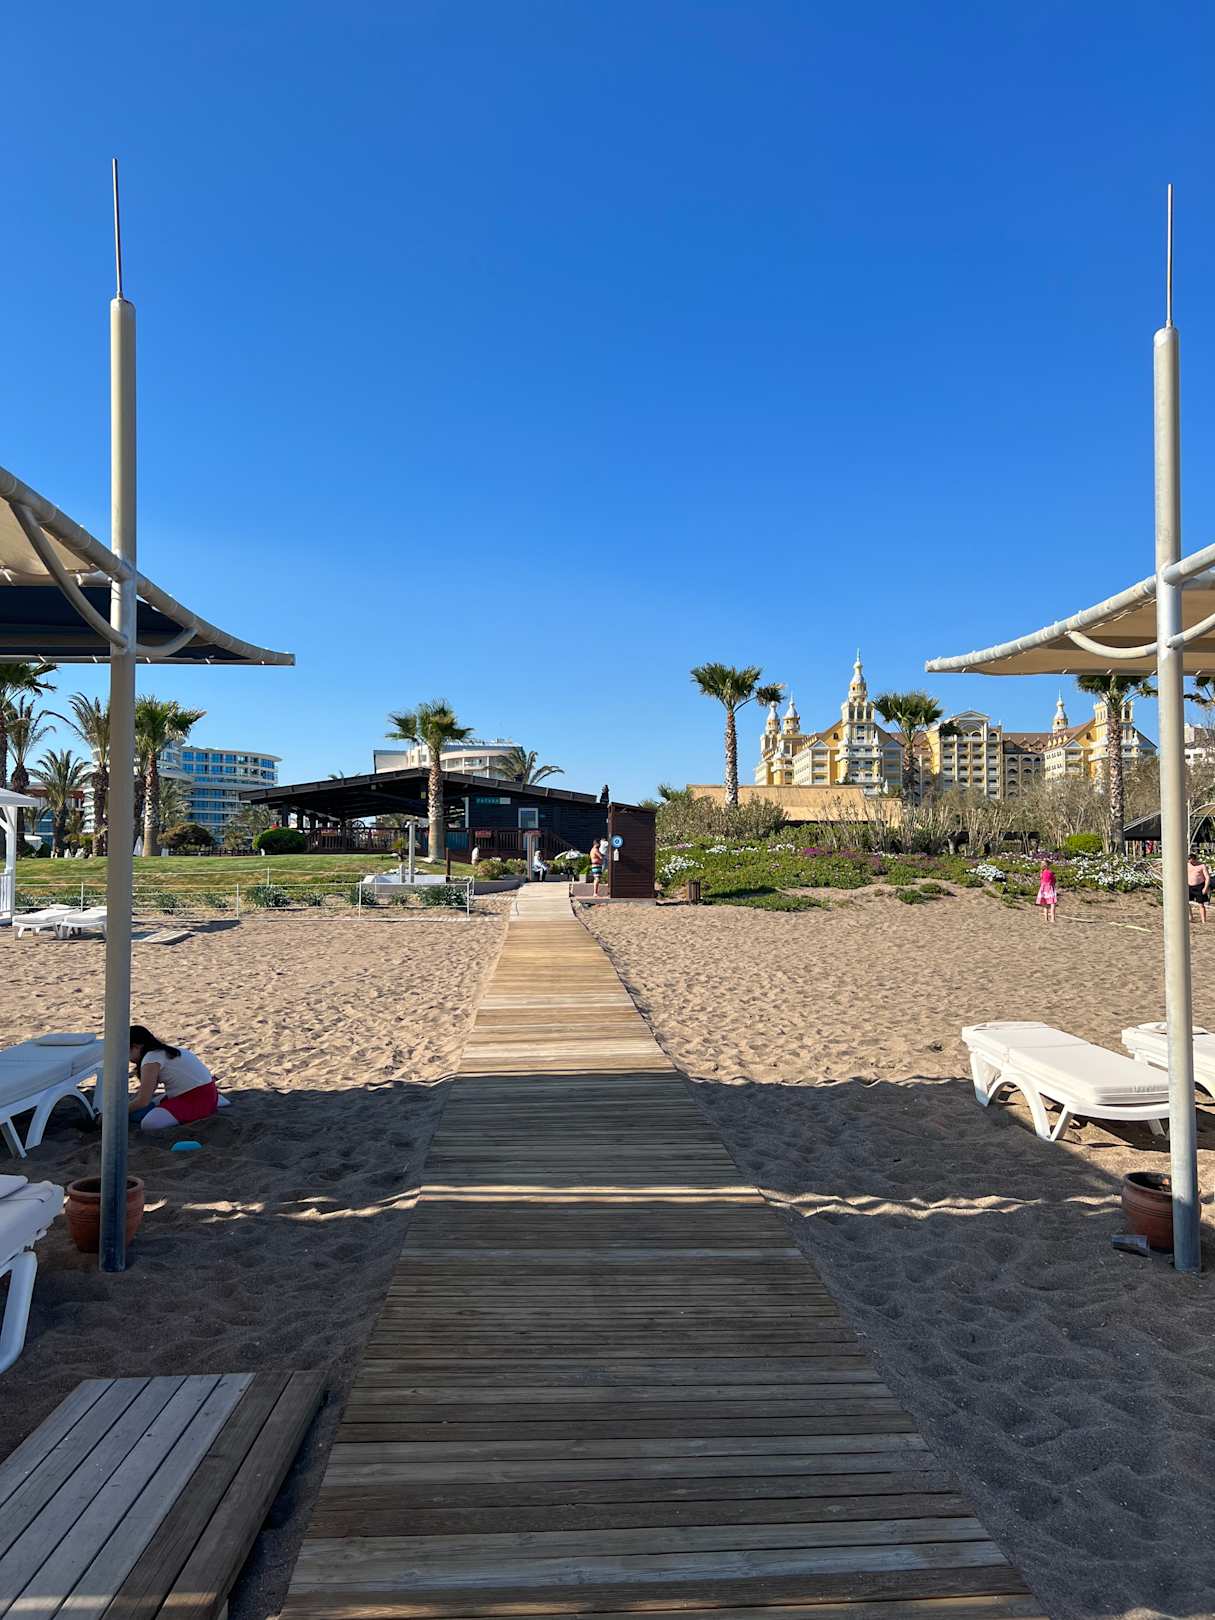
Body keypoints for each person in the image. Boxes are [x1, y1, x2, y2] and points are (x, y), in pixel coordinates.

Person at [128, 1025, 220, 1132]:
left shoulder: (151, 1059)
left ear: (136, 1047)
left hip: (194, 1099)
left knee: (149, 1123)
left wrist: (117, 1113)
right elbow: (147, 1092)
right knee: (138, 1113)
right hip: (208, 1093)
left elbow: (143, 1101)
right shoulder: (166, 1051)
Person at [1188, 853, 1211, 924]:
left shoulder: (1202, 866)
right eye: (1190, 861)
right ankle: (1190, 918)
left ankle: (1203, 921)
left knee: (1201, 904)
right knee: (1186, 903)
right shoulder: (1187, 865)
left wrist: (1205, 888)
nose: (1191, 863)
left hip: (1199, 886)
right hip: (1189, 886)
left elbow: (1207, 877)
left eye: (1192, 862)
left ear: (1195, 859)